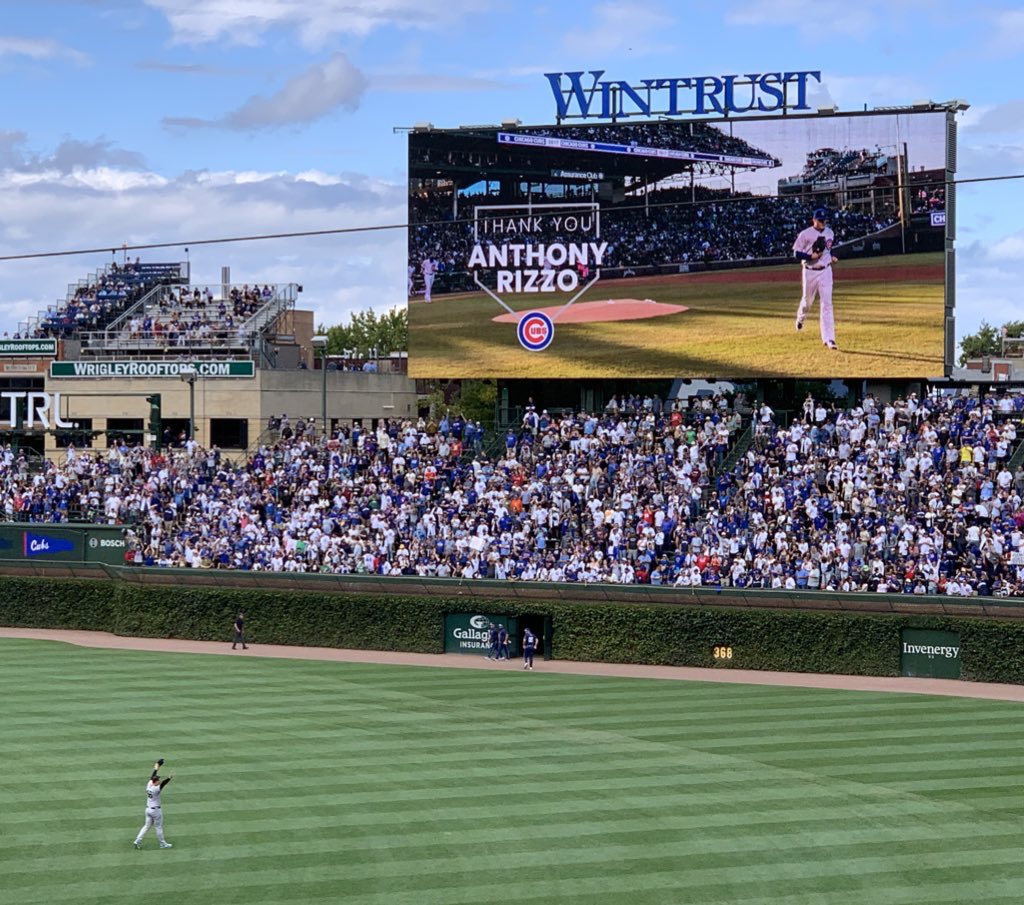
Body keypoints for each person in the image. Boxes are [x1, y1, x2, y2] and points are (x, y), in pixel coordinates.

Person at [793, 207, 838, 350]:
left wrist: (832, 257)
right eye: (820, 220)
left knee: (827, 304)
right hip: (809, 271)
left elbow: (829, 249)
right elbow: (796, 253)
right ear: (814, 220)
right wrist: (809, 257)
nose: (823, 223)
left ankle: (829, 338)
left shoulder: (830, 232)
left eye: (824, 220)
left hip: (825, 271)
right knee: (808, 302)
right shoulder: (805, 234)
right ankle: (800, 317)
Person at [133, 759, 174, 849]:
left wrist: (157, 767)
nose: (159, 781)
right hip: (155, 811)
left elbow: (153, 776)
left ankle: (137, 840)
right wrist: (169, 778)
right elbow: (163, 784)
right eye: (157, 780)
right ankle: (162, 844)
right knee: (158, 827)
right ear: (155, 782)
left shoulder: (149, 785)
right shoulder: (156, 789)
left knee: (146, 826)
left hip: (148, 810)